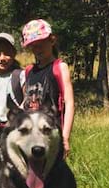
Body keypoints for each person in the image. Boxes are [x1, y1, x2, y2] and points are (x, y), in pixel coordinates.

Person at [21, 19, 75, 157]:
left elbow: (69, 103)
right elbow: (26, 101)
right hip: (30, 134)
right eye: (33, 46)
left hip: (51, 133)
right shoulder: (29, 71)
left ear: (52, 41)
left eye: (40, 44)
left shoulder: (59, 68)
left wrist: (65, 137)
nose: (37, 49)